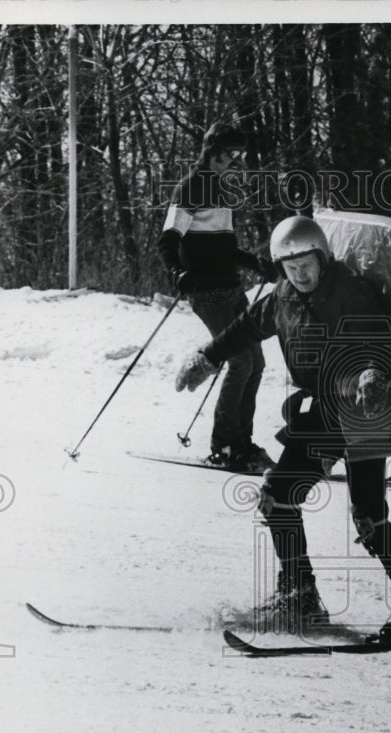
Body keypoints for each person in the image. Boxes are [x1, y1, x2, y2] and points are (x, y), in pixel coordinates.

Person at [175, 214, 391, 649]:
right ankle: (300, 597)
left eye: (306, 263)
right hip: (325, 408)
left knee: (368, 515)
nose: (300, 274)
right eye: (290, 267)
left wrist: (370, 374)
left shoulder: (349, 293)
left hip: (364, 408)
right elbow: (248, 326)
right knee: (279, 496)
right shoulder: (283, 296)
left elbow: (381, 339)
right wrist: (208, 356)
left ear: (322, 257)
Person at [158, 122, 277, 474]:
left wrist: (254, 263)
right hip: (206, 292)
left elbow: (224, 248)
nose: (234, 161)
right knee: (240, 361)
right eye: (229, 154)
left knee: (256, 363)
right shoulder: (191, 187)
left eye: (239, 155)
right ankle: (224, 445)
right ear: (211, 150)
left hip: (231, 288)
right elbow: (167, 240)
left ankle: (243, 443)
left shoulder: (223, 191)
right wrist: (178, 273)